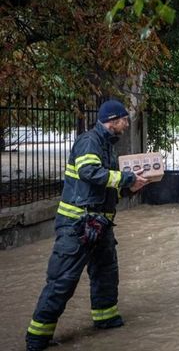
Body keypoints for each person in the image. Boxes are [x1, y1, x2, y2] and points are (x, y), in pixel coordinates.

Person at [25, 100, 149, 351]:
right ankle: (37, 337)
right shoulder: (89, 142)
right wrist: (126, 178)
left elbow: (105, 189)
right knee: (62, 280)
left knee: (106, 273)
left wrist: (130, 187)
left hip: (100, 223)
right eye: (124, 119)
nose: (127, 123)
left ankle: (105, 319)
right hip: (76, 225)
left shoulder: (106, 145)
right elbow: (89, 173)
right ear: (113, 120)